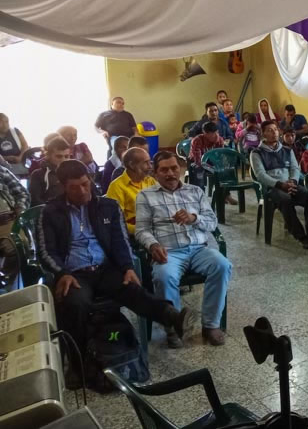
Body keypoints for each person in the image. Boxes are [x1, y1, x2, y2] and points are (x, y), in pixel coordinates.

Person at [39, 160, 193, 374]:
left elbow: (121, 241)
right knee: (75, 305)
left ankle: (172, 316)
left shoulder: (108, 206)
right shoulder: (51, 211)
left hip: (104, 268)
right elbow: (46, 250)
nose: (82, 191)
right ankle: (77, 365)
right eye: (74, 187)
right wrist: (61, 273)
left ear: (90, 179)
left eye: (85, 184)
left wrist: (128, 267)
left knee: (132, 289)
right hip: (75, 274)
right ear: (64, 187)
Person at [135, 151, 233, 347]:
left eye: (174, 168)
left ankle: (211, 325)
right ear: (155, 173)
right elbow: (141, 230)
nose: (171, 174)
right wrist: (153, 244)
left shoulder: (195, 191)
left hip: (198, 249)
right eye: (164, 170)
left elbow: (212, 222)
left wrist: (193, 218)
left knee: (222, 266)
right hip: (169, 252)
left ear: (180, 169)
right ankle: (174, 327)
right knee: (164, 277)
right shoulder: (145, 196)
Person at [251, 121, 308, 249]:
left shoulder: (287, 150)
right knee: (286, 200)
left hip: (289, 184)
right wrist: (280, 185)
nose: (274, 132)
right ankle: (301, 237)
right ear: (263, 134)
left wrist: (293, 181)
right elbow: (260, 175)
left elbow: (295, 168)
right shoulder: (256, 153)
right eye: (270, 130)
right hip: (272, 188)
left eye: (275, 129)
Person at [105, 147, 155, 234]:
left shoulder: (150, 181)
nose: (150, 167)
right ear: (132, 165)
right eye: (145, 163)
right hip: (135, 234)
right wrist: (142, 230)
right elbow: (115, 220)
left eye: (150, 162)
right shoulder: (117, 186)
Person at [0, 164, 30, 288]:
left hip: (6, 221)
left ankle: (6, 283)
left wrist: (20, 210)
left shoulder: (1, 171)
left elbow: (22, 193)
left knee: (19, 246)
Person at [29, 137, 72, 206]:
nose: (63, 160)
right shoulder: (38, 175)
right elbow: (35, 201)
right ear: (48, 156)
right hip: (50, 210)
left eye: (66, 156)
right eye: (59, 156)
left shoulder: (75, 172)